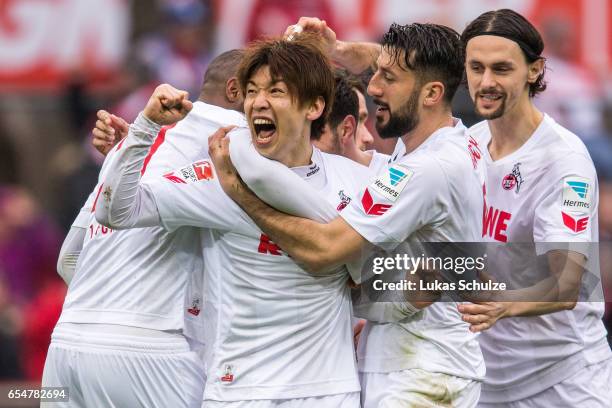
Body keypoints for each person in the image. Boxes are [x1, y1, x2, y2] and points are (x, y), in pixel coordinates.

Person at [209, 22, 486, 407]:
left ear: (431, 94)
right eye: (376, 73)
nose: (373, 89)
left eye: (387, 78)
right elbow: (423, 70)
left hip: (420, 374)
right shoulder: (462, 141)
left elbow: (324, 249)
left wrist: (241, 194)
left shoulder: (423, 171)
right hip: (423, 360)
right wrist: (340, 50)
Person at [97, 36, 366, 407]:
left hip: (327, 392)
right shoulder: (216, 175)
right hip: (238, 393)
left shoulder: (354, 181)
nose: (258, 101)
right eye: (252, 91)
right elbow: (116, 211)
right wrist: (145, 129)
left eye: (276, 91)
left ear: (315, 106)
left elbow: (385, 287)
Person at [42, 49, 246, 408]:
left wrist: (107, 304)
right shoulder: (239, 141)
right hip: (149, 347)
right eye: (265, 89)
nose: (267, 102)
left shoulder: (130, 145)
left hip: (66, 346)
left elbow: (68, 259)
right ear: (235, 91)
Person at [456, 9, 612, 407]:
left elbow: (567, 285)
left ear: (534, 70)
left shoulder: (563, 160)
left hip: (564, 381)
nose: (486, 82)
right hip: (486, 382)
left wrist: (501, 303)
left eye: (501, 68)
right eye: (476, 67)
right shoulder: (466, 146)